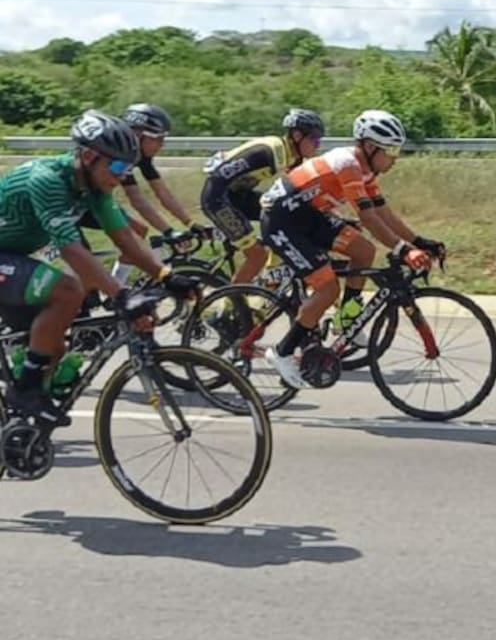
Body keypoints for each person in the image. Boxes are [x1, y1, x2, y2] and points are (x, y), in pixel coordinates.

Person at [0, 111, 200, 425]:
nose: (122, 176)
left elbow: (125, 238)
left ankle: (19, 423)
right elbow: (71, 249)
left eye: (129, 168)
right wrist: (121, 296)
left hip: (11, 255)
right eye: (118, 166)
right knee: (68, 289)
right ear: (90, 156)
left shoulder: (95, 188)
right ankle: (24, 391)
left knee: (53, 345)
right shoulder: (47, 180)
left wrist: (166, 275)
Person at [258, 109, 445, 388]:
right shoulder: (347, 164)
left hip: (308, 216)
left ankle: (347, 318)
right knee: (328, 288)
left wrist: (419, 242)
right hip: (282, 221)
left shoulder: (366, 170)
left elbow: (383, 213)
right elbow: (368, 218)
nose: (395, 158)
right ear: (369, 147)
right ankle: (282, 352)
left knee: (364, 251)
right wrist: (404, 251)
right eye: (390, 150)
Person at [200, 108, 325, 284]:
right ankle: (234, 307)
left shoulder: (293, 157)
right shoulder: (269, 151)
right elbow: (218, 178)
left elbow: (299, 194)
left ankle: (271, 277)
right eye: (314, 139)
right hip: (217, 198)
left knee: (284, 216)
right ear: (297, 136)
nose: (317, 145)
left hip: (237, 196)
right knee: (257, 256)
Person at [118, 103, 200, 238]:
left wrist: (190, 223)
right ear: (137, 135)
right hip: (81, 201)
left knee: (139, 232)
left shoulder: (140, 156)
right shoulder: (121, 158)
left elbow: (163, 193)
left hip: (94, 201)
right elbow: (137, 200)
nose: (162, 144)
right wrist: (169, 231)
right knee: (137, 231)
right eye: (158, 138)